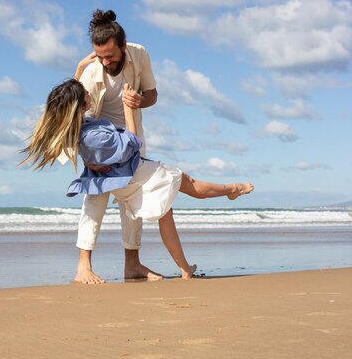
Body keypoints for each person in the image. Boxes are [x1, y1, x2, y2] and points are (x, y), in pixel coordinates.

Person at [21, 78, 254, 282]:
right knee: (187, 182)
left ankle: (185, 268)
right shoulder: (93, 136)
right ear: (80, 104)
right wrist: (128, 107)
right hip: (139, 174)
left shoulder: (82, 129)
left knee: (167, 211)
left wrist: (82, 65)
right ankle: (233, 188)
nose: (89, 93)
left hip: (128, 179)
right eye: (85, 93)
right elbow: (133, 142)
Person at [68, 9, 159, 284]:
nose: (106, 62)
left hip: (131, 135)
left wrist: (136, 103)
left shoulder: (140, 54)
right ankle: (83, 266)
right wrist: (87, 158)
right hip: (98, 139)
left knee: (133, 202)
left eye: (111, 56)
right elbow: (74, 116)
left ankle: (132, 264)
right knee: (94, 199)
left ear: (123, 45)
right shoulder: (93, 68)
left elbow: (152, 94)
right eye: (100, 56)